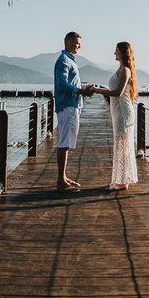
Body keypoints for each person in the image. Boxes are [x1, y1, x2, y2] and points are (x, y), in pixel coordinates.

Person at [87, 41, 138, 191]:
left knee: (123, 145)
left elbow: (117, 93)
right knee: (120, 145)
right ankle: (120, 179)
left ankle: (122, 182)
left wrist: (96, 90)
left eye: (116, 50)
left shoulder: (125, 70)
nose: (114, 53)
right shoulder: (121, 69)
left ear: (122, 52)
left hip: (123, 111)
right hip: (118, 111)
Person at [53, 31, 85, 192]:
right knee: (64, 143)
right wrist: (80, 91)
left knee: (66, 142)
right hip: (67, 106)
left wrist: (80, 91)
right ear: (70, 42)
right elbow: (61, 84)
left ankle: (63, 176)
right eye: (78, 42)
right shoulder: (63, 61)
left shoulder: (70, 60)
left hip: (72, 106)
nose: (80, 45)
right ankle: (60, 180)